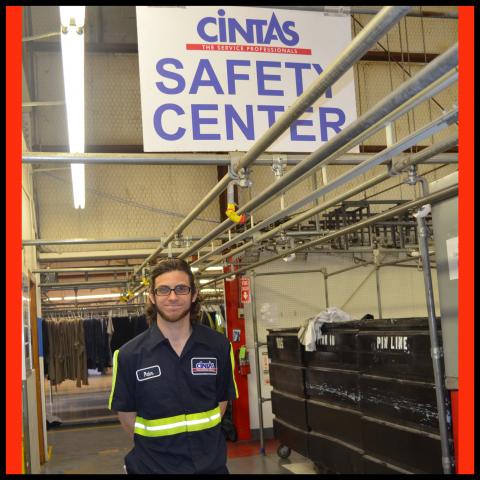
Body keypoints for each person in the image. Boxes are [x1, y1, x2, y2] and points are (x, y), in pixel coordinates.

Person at [108, 258, 238, 474]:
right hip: (153, 468)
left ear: (194, 294)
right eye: (164, 290)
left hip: (210, 467)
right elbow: (126, 417)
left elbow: (221, 401)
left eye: (181, 289)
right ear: (152, 296)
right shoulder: (129, 355)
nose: (173, 297)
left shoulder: (219, 346)